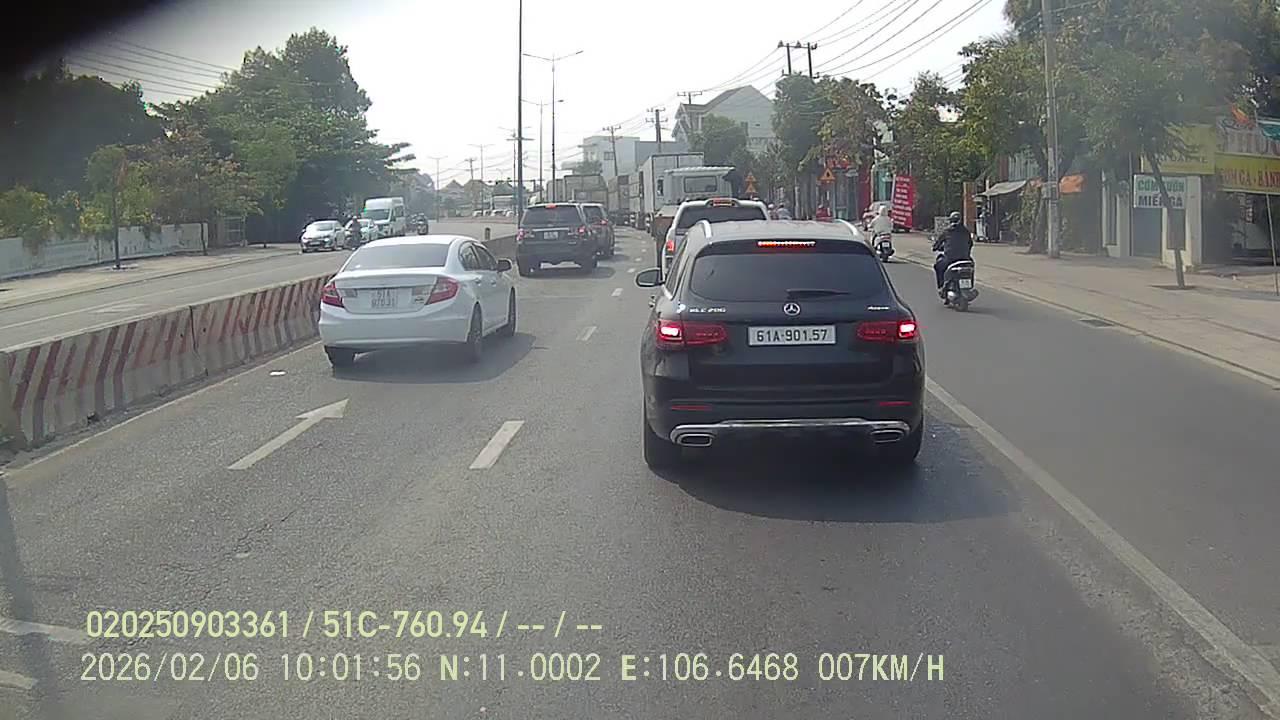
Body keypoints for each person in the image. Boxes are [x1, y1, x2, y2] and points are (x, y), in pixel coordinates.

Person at [933, 211, 973, 290]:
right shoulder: (966, 231)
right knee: (971, 267)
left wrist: (935, 247)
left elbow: (937, 244)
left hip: (950, 259)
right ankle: (971, 285)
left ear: (950, 220)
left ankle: (941, 286)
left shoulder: (947, 231)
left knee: (938, 266)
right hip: (965, 259)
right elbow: (970, 244)